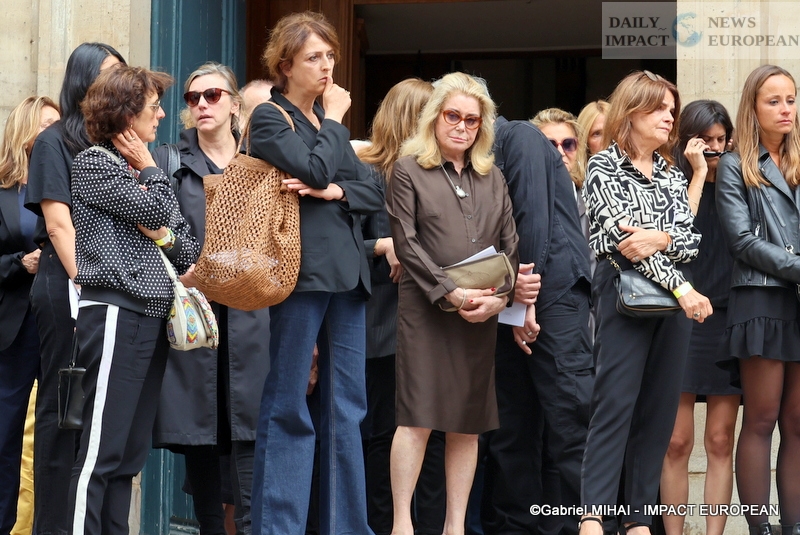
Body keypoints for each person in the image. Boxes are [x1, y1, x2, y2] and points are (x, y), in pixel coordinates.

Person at [247, 11, 384, 535]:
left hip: (348, 275)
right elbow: (317, 167)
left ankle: (346, 527)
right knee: (288, 402)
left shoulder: (325, 122)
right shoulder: (269, 117)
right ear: (286, 65)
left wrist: (335, 191)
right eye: (313, 58)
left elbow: (370, 191)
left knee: (347, 408)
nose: (327, 67)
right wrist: (335, 125)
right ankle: (278, 527)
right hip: (299, 274)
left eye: (330, 56)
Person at [579, 70, 713, 535]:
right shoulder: (602, 167)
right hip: (624, 293)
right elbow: (625, 246)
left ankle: (637, 518)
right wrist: (682, 287)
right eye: (658, 108)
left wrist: (659, 237)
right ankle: (593, 516)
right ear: (631, 111)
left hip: (672, 305)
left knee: (658, 412)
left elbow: (689, 242)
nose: (669, 117)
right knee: (614, 405)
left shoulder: (672, 173)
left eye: (671, 109)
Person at [67, 64, 199, 535]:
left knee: (127, 457)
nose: (162, 115)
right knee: (98, 454)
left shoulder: (143, 172)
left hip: (150, 319)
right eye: (154, 107)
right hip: (114, 314)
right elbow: (160, 210)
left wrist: (159, 227)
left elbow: (186, 247)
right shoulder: (94, 164)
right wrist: (150, 173)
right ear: (126, 114)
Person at [387, 71, 519, 535]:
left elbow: (511, 246)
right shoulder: (408, 169)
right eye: (452, 116)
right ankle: (402, 525)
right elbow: (406, 242)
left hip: (479, 313)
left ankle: (455, 527)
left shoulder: (492, 176)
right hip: (427, 311)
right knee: (417, 418)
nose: (462, 127)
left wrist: (498, 299)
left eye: (472, 120)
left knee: (468, 422)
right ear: (434, 117)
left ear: (483, 126)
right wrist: (451, 291)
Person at [152, 61, 270, 535]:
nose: (202, 104)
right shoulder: (169, 162)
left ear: (235, 104)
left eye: (213, 95)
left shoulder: (261, 163)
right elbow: (154, 231)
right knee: (200, 434)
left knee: (249, 433)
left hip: (252, 318)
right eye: (193, 97)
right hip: (193, 318)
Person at [23, 42, 125, 535]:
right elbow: (59, 226)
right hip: (68, 283)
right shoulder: (53, 141)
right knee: (63, 409)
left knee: (98, 417)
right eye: (108, 74)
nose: (118, 84)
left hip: (106, 290)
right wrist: (88, 283)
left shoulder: (118, 144)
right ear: (83, 80)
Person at [484, 109, 593, 535]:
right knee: (513, 425)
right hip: (509, 298)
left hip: (546, 295)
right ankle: (520, 526)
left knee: (570, 416)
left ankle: (596, 523)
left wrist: (522, 304)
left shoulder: (520, 138)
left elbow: (531, 220)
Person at [356, 78, 446, 535]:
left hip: (432, 326)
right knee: (382, 434)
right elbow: (335, 248)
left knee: (434, 435)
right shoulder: (364, 173)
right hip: (380, 328)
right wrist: (382, 245)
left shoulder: (441, 177)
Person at [716, 64, 800, 535]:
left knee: (798, 421)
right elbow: (742, 241)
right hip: (761, 298)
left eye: (791, 99)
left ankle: (794, 525)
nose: (786, 109)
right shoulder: (735, 164)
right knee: (762, 418)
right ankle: (759, 528)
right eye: (774, 101)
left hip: (797, 300)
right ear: (753, 107)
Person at [660, 100, 740, 535]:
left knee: (720, 440)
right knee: (676, 441)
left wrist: (720, 173)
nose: (713, 148)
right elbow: (678, 237)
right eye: (704, 140)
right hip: (681, 314)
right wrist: (696, 174)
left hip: (727, 314)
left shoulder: (739, 181)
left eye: (721, 140)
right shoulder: (670, 179)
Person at [0, 95, 59, 535]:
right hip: (13, 330)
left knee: (59, 437)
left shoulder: (67, 182)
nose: (55, 132)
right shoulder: (3, 192)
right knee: (5, 436)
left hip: (61, 324)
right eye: (46, 124)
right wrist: (20, 264)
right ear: (24, 131)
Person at [576, 100, 610, 183]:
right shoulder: (573, 185)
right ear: (584, 140)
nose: (606, 140)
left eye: (610, 132)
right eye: (597, 134)